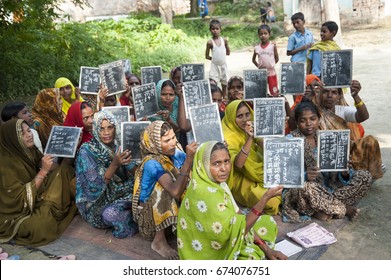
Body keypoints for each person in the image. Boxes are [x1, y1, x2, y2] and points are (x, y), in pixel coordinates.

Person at [177, 141, 286, 260]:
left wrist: (266, 249)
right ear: (203, 165)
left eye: (227, 161)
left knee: (267, 221)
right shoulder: (204, 193)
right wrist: (264, 199)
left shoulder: (219, 184)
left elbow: (238, 217)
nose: (224, 168)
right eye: (216, 164)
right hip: (212, 251)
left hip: (229, 232)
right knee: (251, 259)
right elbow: (238, 230)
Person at [282, 101, 372, 222]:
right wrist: (304, 176)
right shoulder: (291, 141)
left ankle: (324, 207)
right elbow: (283, 175)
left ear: (319, 119)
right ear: (297, 123)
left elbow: (336, 173)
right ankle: (342, 208)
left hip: (328, 186)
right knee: (307, 187)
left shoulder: (327, 138)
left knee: (364, 176)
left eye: (312, 119)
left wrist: (344, 172)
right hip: (305, 191)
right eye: (303, 120)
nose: (309, 124)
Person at [0, 119, 77, 246]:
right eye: (22, 133)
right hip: (18, 212)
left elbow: (56, 168)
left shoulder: (28, 150)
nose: (29, 135)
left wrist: (70, 148)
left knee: (66, 170)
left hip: (38, 193)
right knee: (40, 226)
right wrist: (43, 172)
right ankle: (57, 205)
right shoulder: (5, 165)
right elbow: (15, 201)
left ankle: (55, 205)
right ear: (12, 139)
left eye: (29, 130)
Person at [132, 121, 198, 259]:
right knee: (162, 188)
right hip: (150, 224)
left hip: (170, 218)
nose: (173, 143)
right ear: (155, 143)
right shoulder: (151, 163)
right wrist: (188, 161)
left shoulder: (175, 153)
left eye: (174, 137)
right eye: (167, 140)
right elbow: (174, 192)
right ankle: (159, 242)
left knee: (191, 178)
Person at [75, 110, 138, 238]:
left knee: (145, 193)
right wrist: (115, 164)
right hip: (96, 204)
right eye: (101, 128)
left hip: (122, 192)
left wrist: (127, 163)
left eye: (110, 127)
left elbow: (137, 174)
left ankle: (137, 212)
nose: (107, 133)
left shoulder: (118, 146)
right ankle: (136, 215)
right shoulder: (86, 151)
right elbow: (94, 188)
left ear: (115, 128)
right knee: (109, 214)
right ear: (96, 130)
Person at [309, 80, 384, 180]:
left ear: (340, 96)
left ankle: (368, 177)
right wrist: (309, 93)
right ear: (319, 94)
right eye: (325, 92)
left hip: (345, 154)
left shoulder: (342, 110)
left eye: (334, 92)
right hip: (324, 154)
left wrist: (356, 96)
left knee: (370, 141)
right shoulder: (313, 110)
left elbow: (363, 116)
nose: (329, 95)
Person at [222, 100, 281, 215]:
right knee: (272, 201)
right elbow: (238, 165)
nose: (245, 119)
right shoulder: (227, 136)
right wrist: (250, 139)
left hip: (256, 173)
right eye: (239, 116)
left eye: (247, 114)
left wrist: (260, 135)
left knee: (282, 189)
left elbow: (270, 150)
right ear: (231, 118)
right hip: (239, 178)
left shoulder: (250, 129)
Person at [205, 19, 230, 99]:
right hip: (214, 66)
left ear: (220, 29)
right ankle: (215, 98)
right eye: (213, 29)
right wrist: (214, 59)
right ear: (210, 30)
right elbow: (207, 56)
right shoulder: (210, 42)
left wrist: (227, 45)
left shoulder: (224, 40)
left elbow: (228, 53)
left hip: (223, 65)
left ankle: (224, 98)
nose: (215, 31)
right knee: (213, 83)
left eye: (217, 29)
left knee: (225, 83)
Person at [252, 24, 279, 96]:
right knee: (262, 91)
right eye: (261, 34)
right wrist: (259, 66)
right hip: (261, 73)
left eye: (265, 33)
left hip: (271, 72)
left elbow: (277, 58)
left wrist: (271, 64)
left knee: (274, 91)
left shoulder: (272, 46)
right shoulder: (257, 48)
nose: (263, 35)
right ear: (258, 35)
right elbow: (253, 60)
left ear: (269, 34)